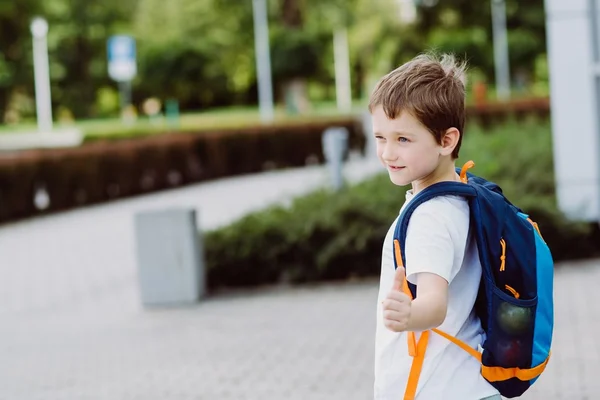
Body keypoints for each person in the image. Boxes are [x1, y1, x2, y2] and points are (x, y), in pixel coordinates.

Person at [370, 53, 501, 400]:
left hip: (438, 389)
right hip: (468, 382)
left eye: (403, 139)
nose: (387, 153)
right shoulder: (463, 196)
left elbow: (435, 303)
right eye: (381, 137)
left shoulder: (430, 218)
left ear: (447, 141)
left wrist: (409, 313)